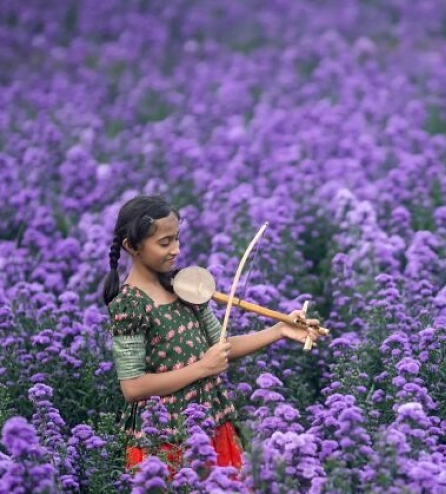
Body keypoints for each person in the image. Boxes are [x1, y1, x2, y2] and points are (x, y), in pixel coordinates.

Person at [102, 194, 318, 473]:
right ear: (131, 246)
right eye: (164, 243)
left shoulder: (185, 286)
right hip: (164, 437)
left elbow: (221, 346)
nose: (175, 250)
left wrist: (280, 330)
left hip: (211, 421)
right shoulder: (130, 304)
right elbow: (133, 387)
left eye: (177, 239)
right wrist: (203, 367)